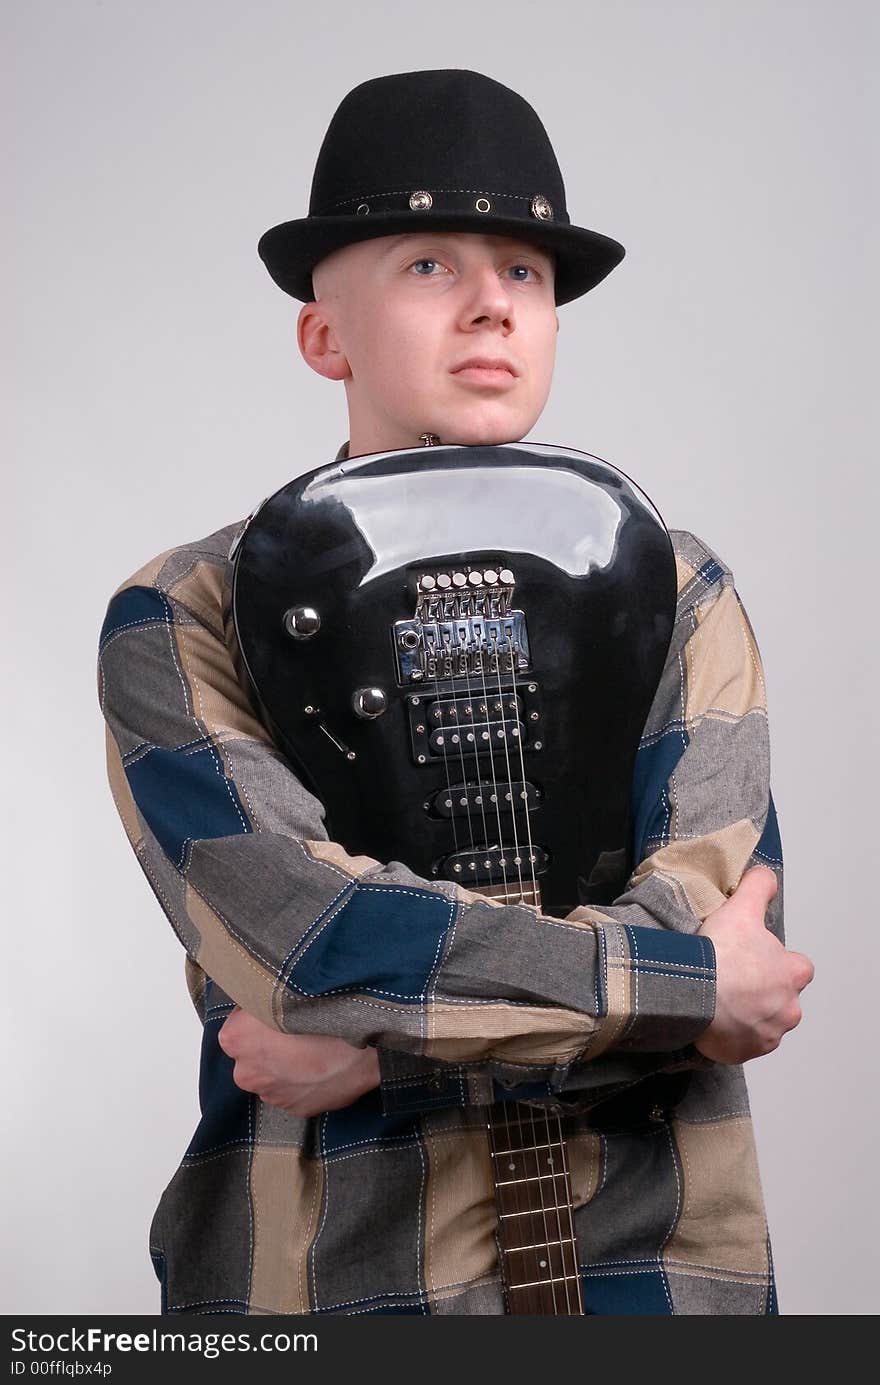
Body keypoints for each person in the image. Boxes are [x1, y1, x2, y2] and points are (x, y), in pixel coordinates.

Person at [97, 69, 813, 1317]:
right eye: (430, 263)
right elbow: (308, 945)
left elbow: (709, 898)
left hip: (655, 1256)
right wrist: (685, 994)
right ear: (325, 334)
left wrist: (378, 1044)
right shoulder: (183, 611)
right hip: (328, 1272)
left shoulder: (678, 586)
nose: (492, 302)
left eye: (525, 273)